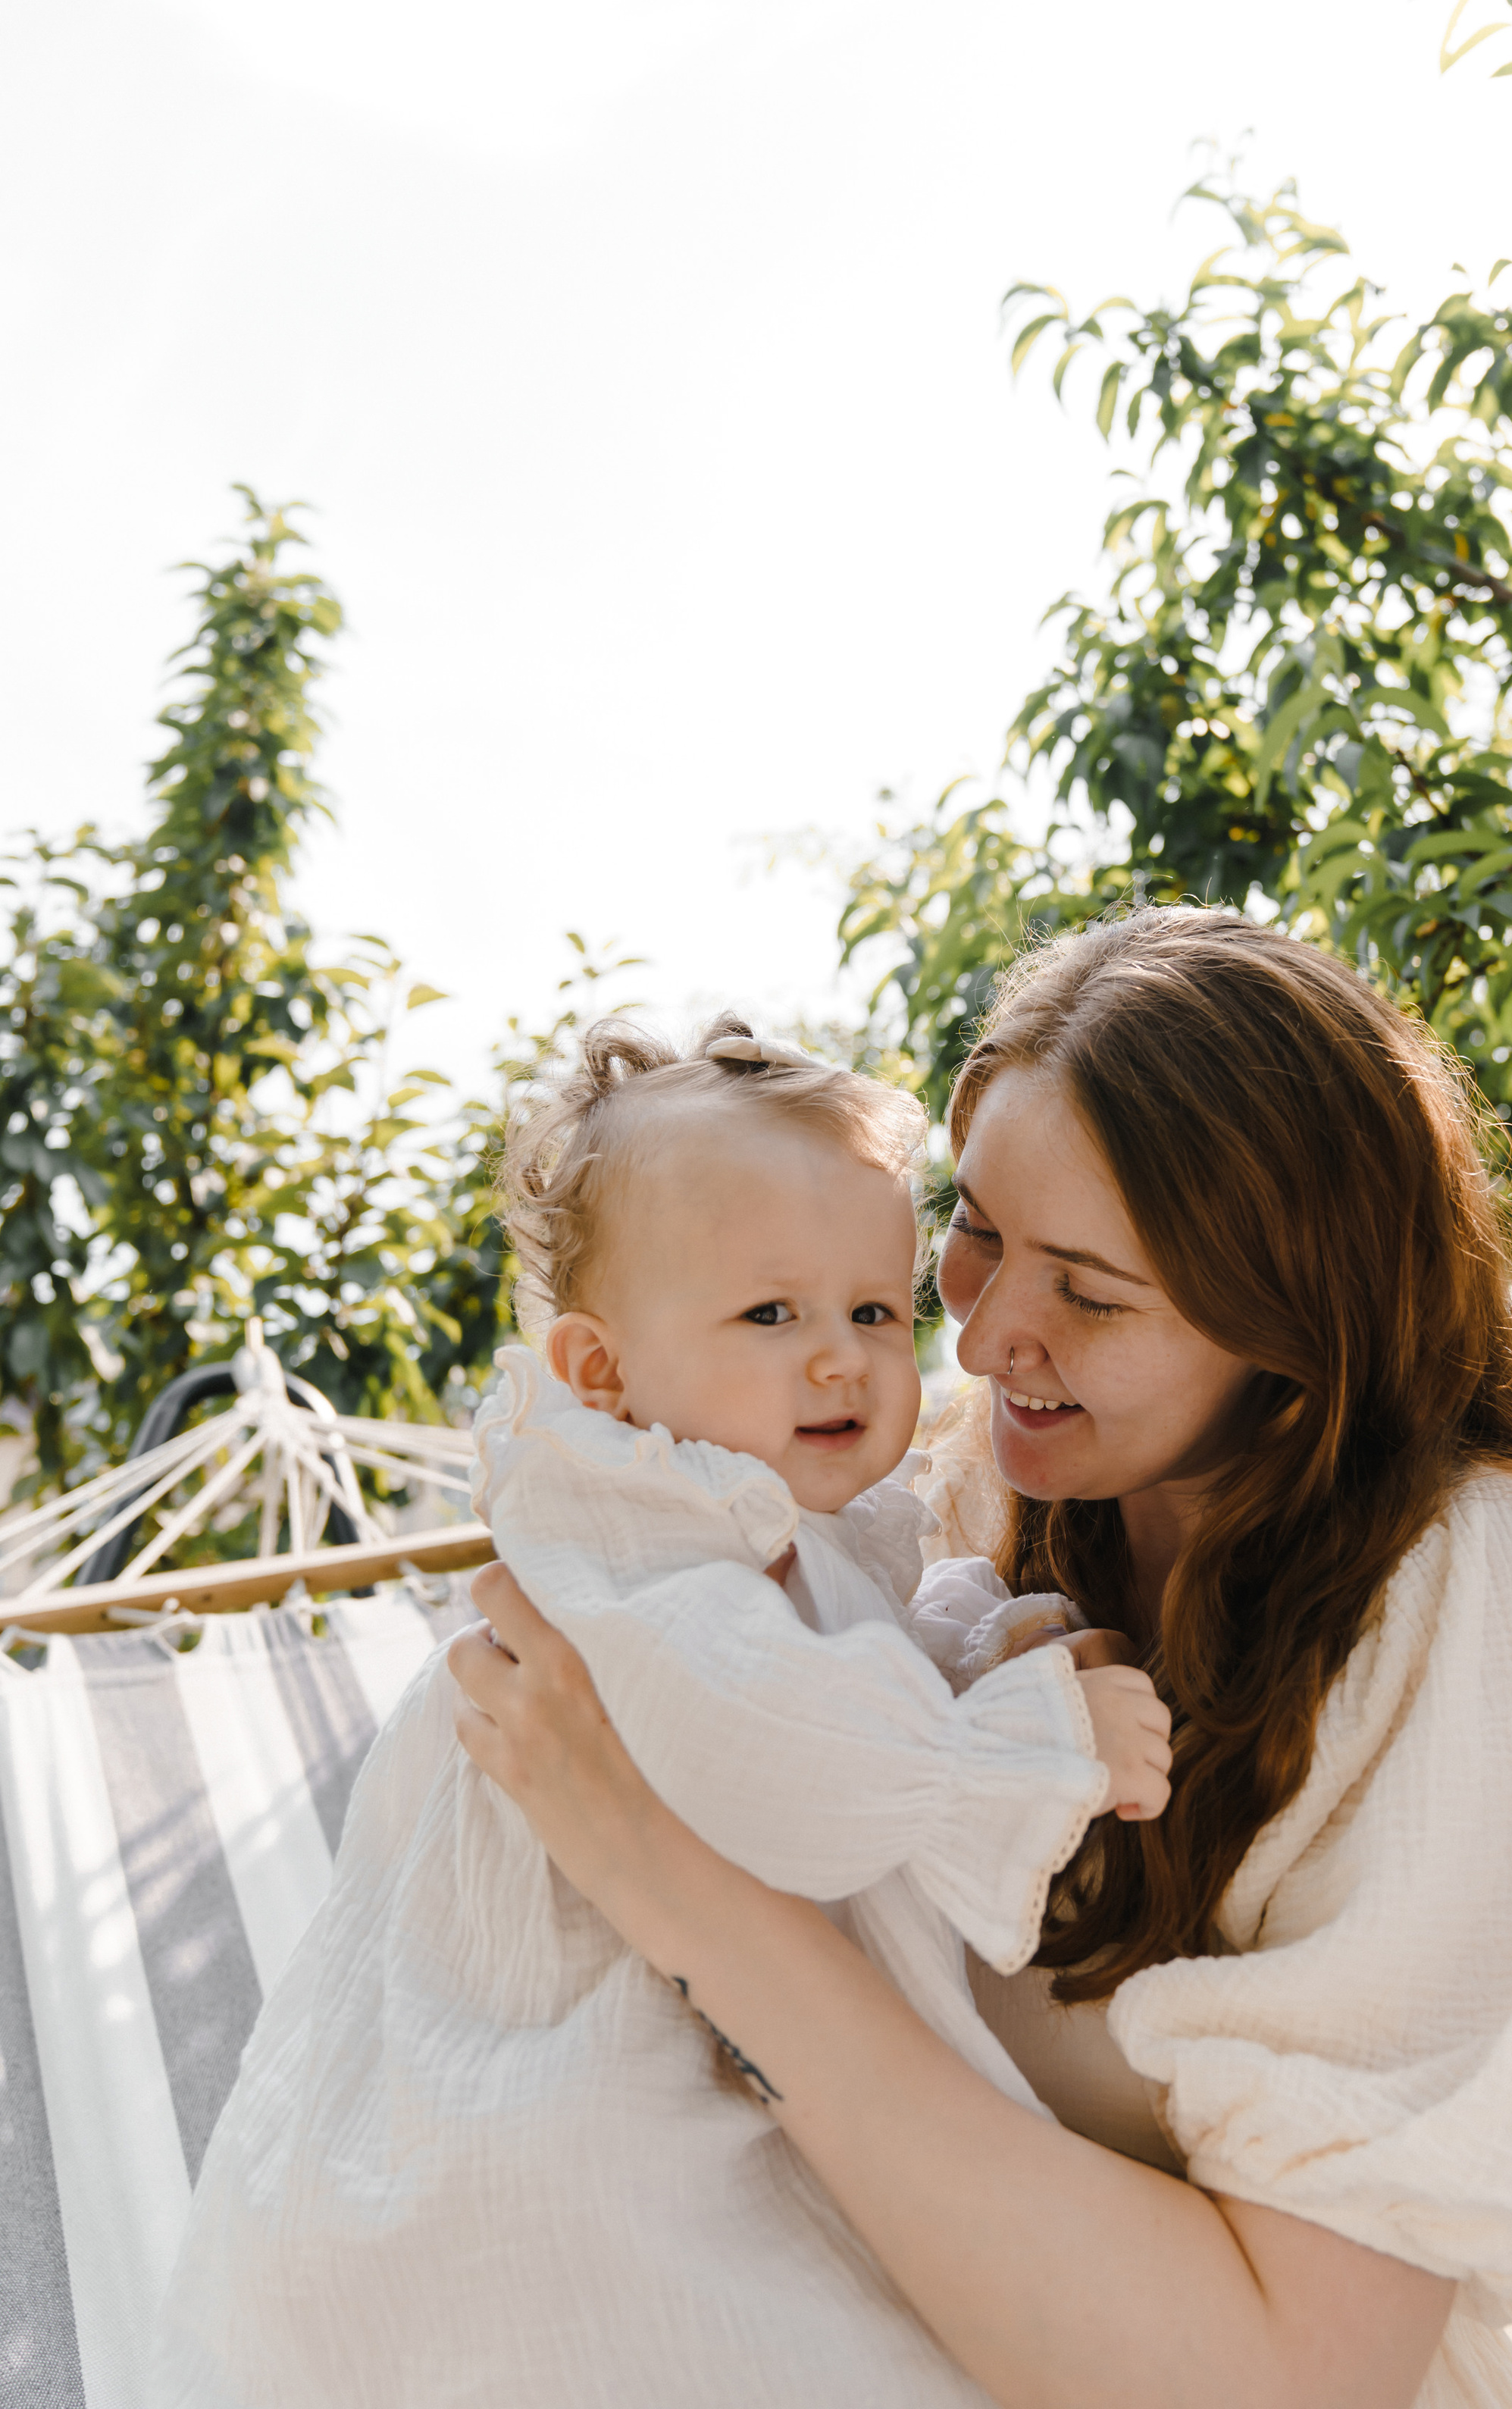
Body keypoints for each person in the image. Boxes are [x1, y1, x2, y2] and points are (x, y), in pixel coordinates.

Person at [451, 910, 1512, 2409]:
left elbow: (1295, 2381)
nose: (989, 1337)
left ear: (1290, 1321)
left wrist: (681, 1889)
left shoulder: (1462, 1603)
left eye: (1091, 1289)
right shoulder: (961, 1505)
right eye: (980, 1231)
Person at [153, 1014, 1171, 2409]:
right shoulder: (636, 1533)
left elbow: (842, 1647)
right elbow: (770, 1748)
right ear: (598, 1373)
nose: (841, 1359)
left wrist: (988, 1651)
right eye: (772, 1314)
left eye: (873, 1310)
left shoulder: (772, 1523)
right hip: (549, 2123)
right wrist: (1024, 1752)